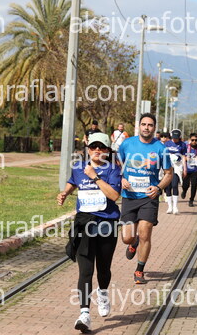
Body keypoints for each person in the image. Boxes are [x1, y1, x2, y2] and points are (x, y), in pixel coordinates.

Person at [57, 133, 122, 333]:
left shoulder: (113, 169)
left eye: (101, 147)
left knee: (103, 268)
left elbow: (114, 195)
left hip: (106, 223)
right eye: (93, 146)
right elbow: (73, 181)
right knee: (85, 270)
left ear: (107, 151)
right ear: (88, 148)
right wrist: (65, 193)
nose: (97, 150)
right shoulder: (79, 167)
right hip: (84, 224)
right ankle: (84, 314)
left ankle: (103, 293)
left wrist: (94, 176)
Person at [118, 113, 172, 284]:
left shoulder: (161, 148)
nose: (146, 127)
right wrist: (121, 178)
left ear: (154, 128)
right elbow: (117, 165)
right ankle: (132, 243)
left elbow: (169, 174)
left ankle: (139, 270)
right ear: (139, 126)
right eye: (144, 124)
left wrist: (158, 188)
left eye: (150, 125)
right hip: (129, 196)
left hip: (149, 197)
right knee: (126, 237)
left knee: (145, 234)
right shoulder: (127, 144)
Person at [163, 129, 187, 214]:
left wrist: (185, 168)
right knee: (168, 186)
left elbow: (183, 157)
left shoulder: (183, 145)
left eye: (176, 138)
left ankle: (175, 207)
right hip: (168, 167)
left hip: (177, 167)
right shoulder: (167, 144)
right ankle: (169, 206)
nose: (175, 139)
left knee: (175, 185)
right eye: (174, 137)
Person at [182, 133, 197, 207]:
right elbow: (181, 156)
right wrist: (186, 158)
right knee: (185, 185)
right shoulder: (186, 147)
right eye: (192, 140)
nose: (194, 141)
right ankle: (184, 191)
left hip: (195, 170)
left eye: (196, 140)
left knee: (194, 185)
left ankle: (191, 200)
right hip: (187, 169)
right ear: (189, 140)